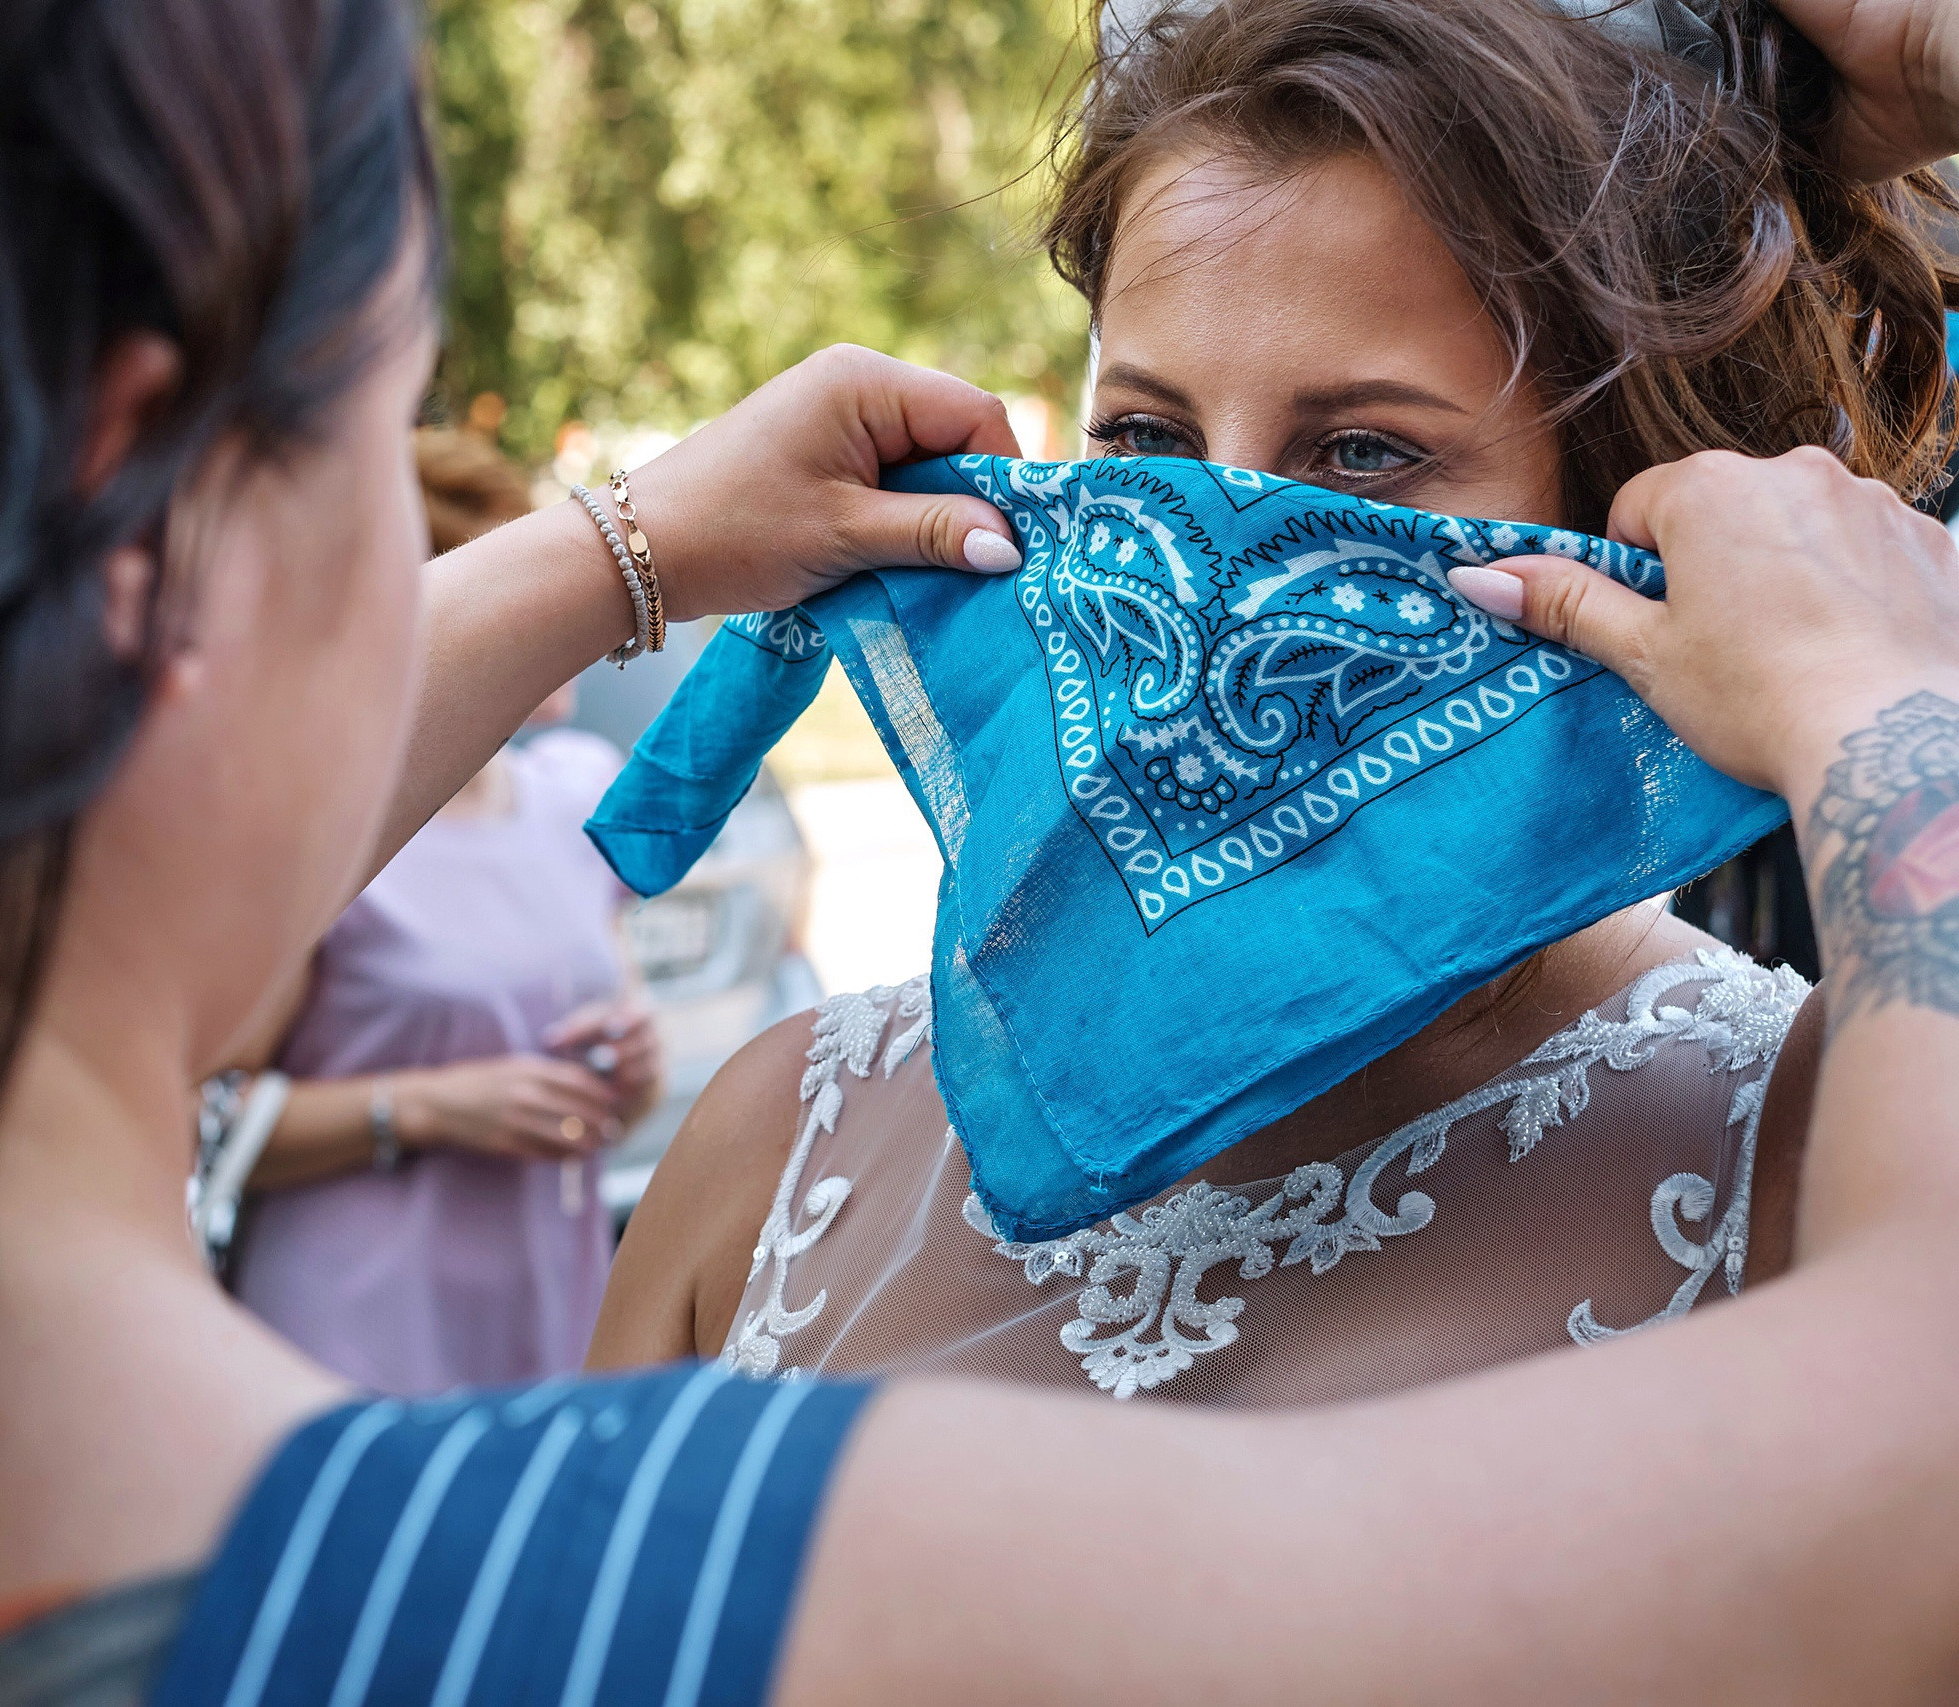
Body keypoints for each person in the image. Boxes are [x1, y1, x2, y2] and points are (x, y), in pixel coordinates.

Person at [0, 1, 1958, 1706]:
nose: (1188, 554)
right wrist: (1879, 707)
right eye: (382, 423)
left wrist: (601, 559)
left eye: (1361, 459)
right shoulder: (665, 1518)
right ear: (143, 508)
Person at [590, 0, 1942, 1401]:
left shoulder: (1810, 1151)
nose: (1209, 551)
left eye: (1361, 450)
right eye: (1145, 439)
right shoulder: (778, 1138)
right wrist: (614, 551)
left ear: (1638, 511)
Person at [219, 428, 661, 1394]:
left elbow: (612, 1081)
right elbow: (205, 1117)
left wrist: (634, 1069)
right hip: (356, 1328)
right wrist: (427, 1108)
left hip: (549, 1301)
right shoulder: (326, 831)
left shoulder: (579, 791)